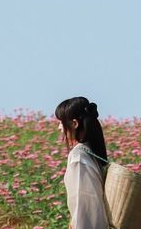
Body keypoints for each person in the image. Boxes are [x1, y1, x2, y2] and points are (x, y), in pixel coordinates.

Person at [56, 96, 110, 229]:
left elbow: (84, 203)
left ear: (74, 123)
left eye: (61, 122)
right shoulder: (91, 152)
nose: (59, 127)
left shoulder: (78, 156)